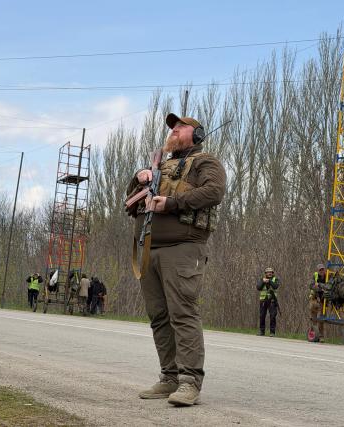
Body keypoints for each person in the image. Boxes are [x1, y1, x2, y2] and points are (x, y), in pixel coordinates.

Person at [125, 113, 226, 406]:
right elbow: (129, 200)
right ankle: (168, 378)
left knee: (183, 314)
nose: (174, 130)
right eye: (171, 127)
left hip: (184, 247)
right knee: (159, 316)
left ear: (196, 134)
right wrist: (139, 178)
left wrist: (172, 203)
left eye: (180, 127)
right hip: (149, 249)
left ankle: (189, 382)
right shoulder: (161, 167)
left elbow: (214, 191)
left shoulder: (206, 162)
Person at [256, 267, 280, 337]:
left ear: (273, 273)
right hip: (263, 300)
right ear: (265, 273)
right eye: (268, 272)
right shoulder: (262, 279)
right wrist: (263, 282)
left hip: (272, 300)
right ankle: (261, 331)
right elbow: (258, 287)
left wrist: (269, 281)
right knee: (262, 316)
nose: (269, 273)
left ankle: (272, 332)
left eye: (271, 272)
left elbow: (275, 286)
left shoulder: (275, 279)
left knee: (273, 316)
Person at [308, 264, 327, 342]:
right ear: (318, 270)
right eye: (320, 270)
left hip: (323, 300)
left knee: (321, 319)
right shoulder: (315, 276)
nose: (321, 271)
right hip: (314, 299)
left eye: (323, 269)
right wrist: (320, 288)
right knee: (314, 318)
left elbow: (328, 287)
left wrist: (319, 285)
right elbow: (311, 285)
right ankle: (314, 334)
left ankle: (321, 336)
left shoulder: (327, 276)